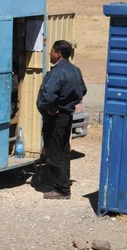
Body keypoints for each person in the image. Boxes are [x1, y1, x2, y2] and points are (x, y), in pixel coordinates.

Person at [37, 40, 87, 200]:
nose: (50, 54)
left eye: (51, 51)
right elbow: (82, 90)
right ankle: (63, 183)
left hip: (55, 118)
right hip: (66, 116)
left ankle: (62, 189)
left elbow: (49, 95)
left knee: (54, 152)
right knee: (64, 150)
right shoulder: (75, 70)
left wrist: (50, 106)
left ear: (58, 53)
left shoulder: (58, 72)